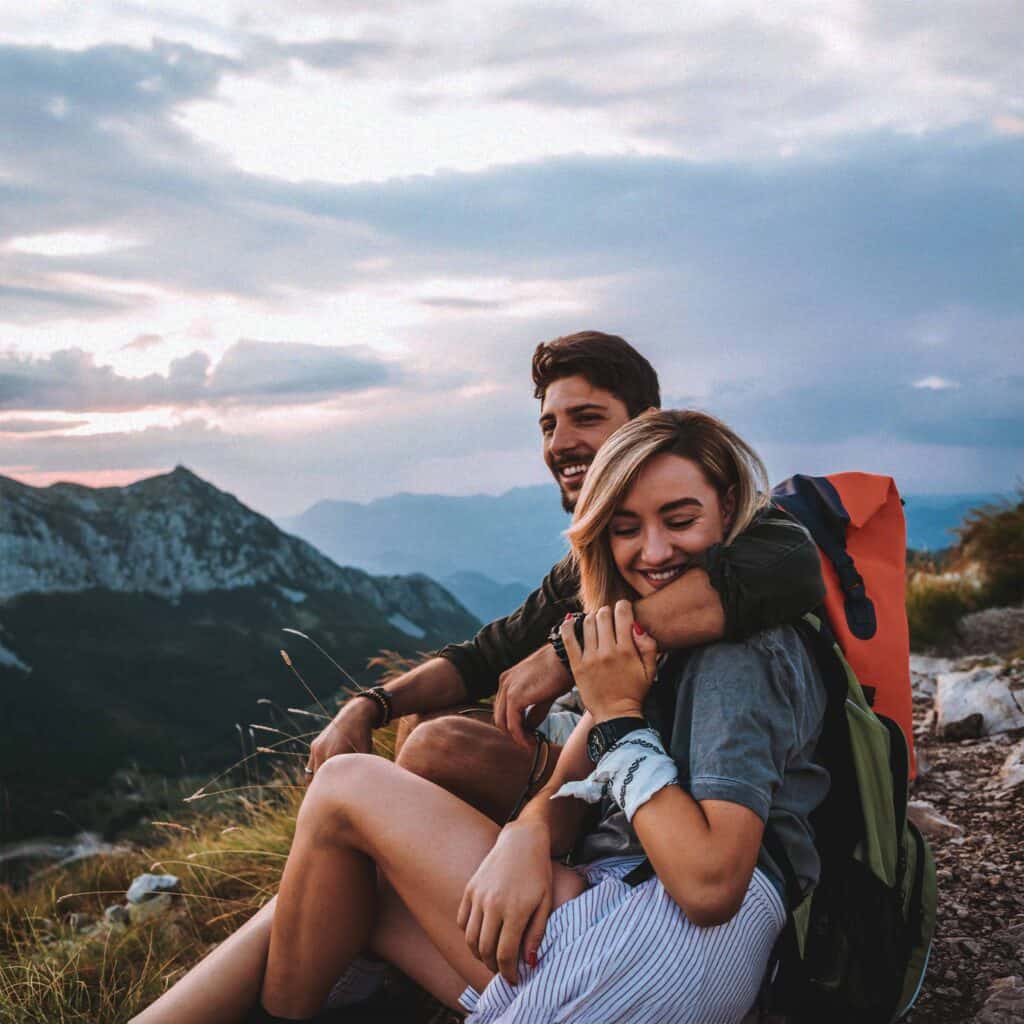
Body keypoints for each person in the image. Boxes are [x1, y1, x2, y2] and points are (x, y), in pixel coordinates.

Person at [132, 410, 828, 1024]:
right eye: (625, 529)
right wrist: (525, 835)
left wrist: (613, 711)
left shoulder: (740, 654)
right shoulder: (643, 642)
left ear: (729, 504)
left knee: (345, 783)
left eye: (679, 520)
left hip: (658, 956)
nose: (652, 551)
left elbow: (710, 885)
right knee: (351, 890)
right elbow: (529, 706)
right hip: (621, 916)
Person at [309, 332, 825, 825]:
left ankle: (446, 868)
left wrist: (566, 653)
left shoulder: (751, 531)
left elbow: (790, 569)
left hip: (672, 771)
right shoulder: (593, 560)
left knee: (438, 745)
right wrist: (370, 704)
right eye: (549, 426)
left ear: (645, 427)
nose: (561, 443)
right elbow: (487, 654)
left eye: (585, 418)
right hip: (601, 739)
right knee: (422, 718)